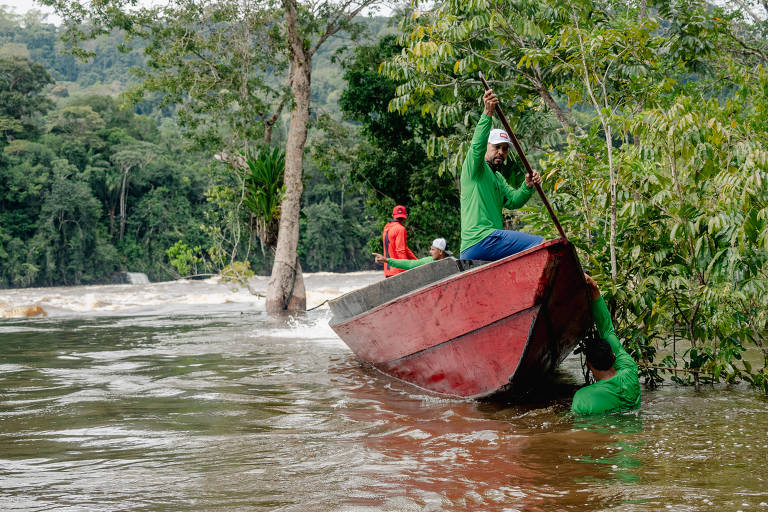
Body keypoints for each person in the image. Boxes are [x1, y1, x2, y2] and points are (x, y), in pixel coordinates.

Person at [459, 88, 545, 261]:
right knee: (541, 245)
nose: (501, 152)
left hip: (484, 245)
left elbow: (513, 200)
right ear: (487, 148)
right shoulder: (475, 168)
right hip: (481, 239)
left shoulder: (498, 178)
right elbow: (477, 146)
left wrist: (527, 186)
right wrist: (487, 113)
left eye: (504, 149)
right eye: (496, 147)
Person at [571, 274, 641, 415]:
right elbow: (607, 329)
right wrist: (594, 288)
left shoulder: (583, 398)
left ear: (588, 365)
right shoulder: (630, 373)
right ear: (614, 357)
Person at [373, 238, 452, 271]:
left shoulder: (451, 263)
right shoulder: (429, 260)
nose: (430, 252)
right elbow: (410, 264)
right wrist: (387, 260)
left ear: (441, 252)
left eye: (432, 249)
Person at [381, 205, 417, 277]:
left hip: (388, 271)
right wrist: (406, 267)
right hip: (398, 272)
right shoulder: (400, 229)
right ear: (405, 217)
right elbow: (401, 251)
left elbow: (405, 249)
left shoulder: (386, 229)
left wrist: (417, 262)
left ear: (393, 216)